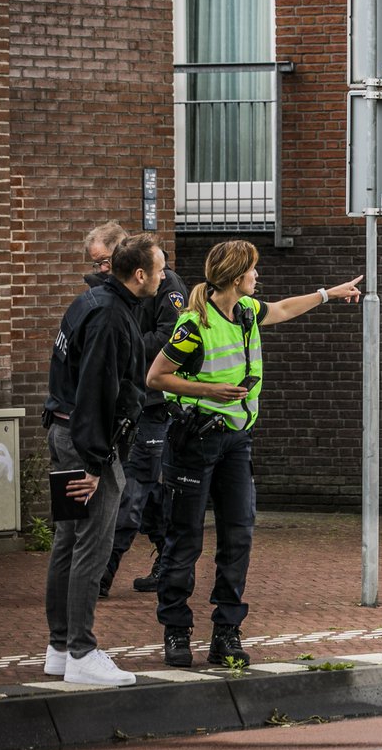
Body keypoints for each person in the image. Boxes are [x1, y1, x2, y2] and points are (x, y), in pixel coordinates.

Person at [147, 239, 362, 668]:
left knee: (238, 536)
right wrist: (211, 390)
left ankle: (226, 632)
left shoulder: (245, 313)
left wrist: (327, 294)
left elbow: (281, 309)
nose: (257, 277)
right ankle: (176, 631)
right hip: (196, 441)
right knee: (184, 540)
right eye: (253, 271)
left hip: (236, 441)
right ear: (234, 276)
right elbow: (156, 377)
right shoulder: (194, 324)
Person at [42, 232, 166, 686]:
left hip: (63, 431)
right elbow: (97, 391)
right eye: (160, 268)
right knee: (92, 544)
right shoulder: (112, 317)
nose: (164, 275)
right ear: (139, 274)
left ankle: (59, 648)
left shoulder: (88, 301)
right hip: (87, 441)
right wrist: (95, 465)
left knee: (68, 541)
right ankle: (81, 652)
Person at [82, 222, 188, 598]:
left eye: (105, 262)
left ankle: (100, 576)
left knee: (132, 489)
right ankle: (169, 561)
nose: (101, 271)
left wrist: (124, 346)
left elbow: (172, 337)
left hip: (154, 404)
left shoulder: (165, 285)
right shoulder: (110, 292)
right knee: (148, 491)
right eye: (96, 264)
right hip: (129, 400)